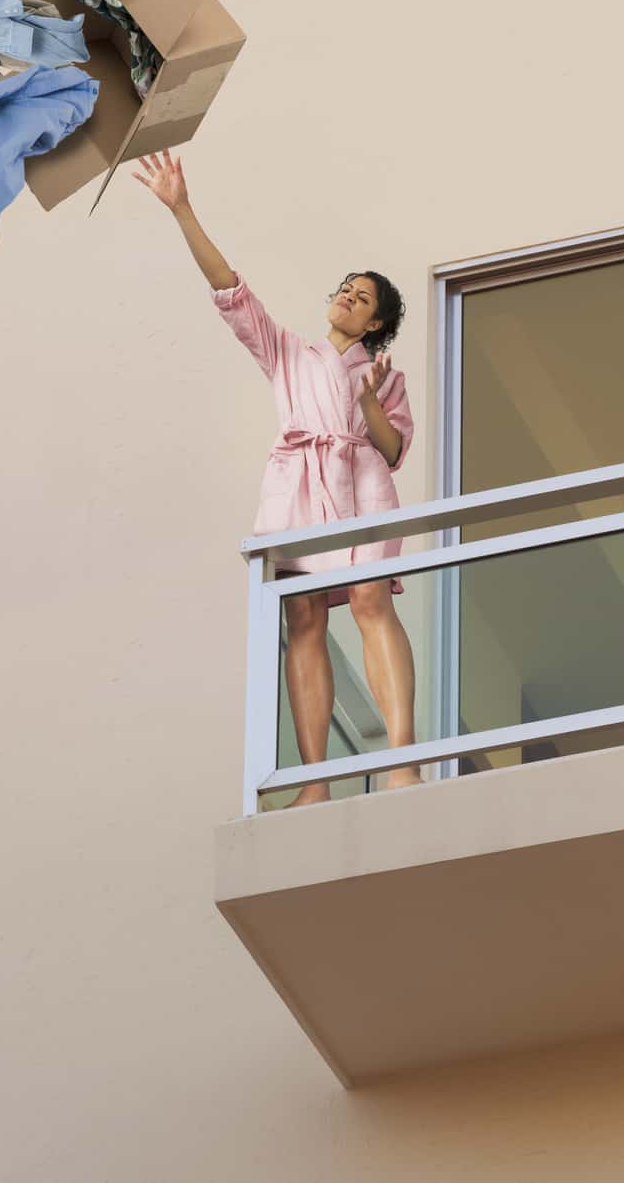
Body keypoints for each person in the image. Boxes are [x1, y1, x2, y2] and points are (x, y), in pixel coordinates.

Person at [134, 151, 420, 805]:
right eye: (343, 288)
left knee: (373, 600)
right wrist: (182, 208)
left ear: (375, 322)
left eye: (361, 296)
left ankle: (403, 760)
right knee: (306, 616)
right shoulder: (290, 353)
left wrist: (370, 399)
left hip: (363, 480)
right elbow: (232, 291)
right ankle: (313, 779)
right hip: (298, 485)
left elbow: (393, 446)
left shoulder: (386, 375)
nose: (346, 297)